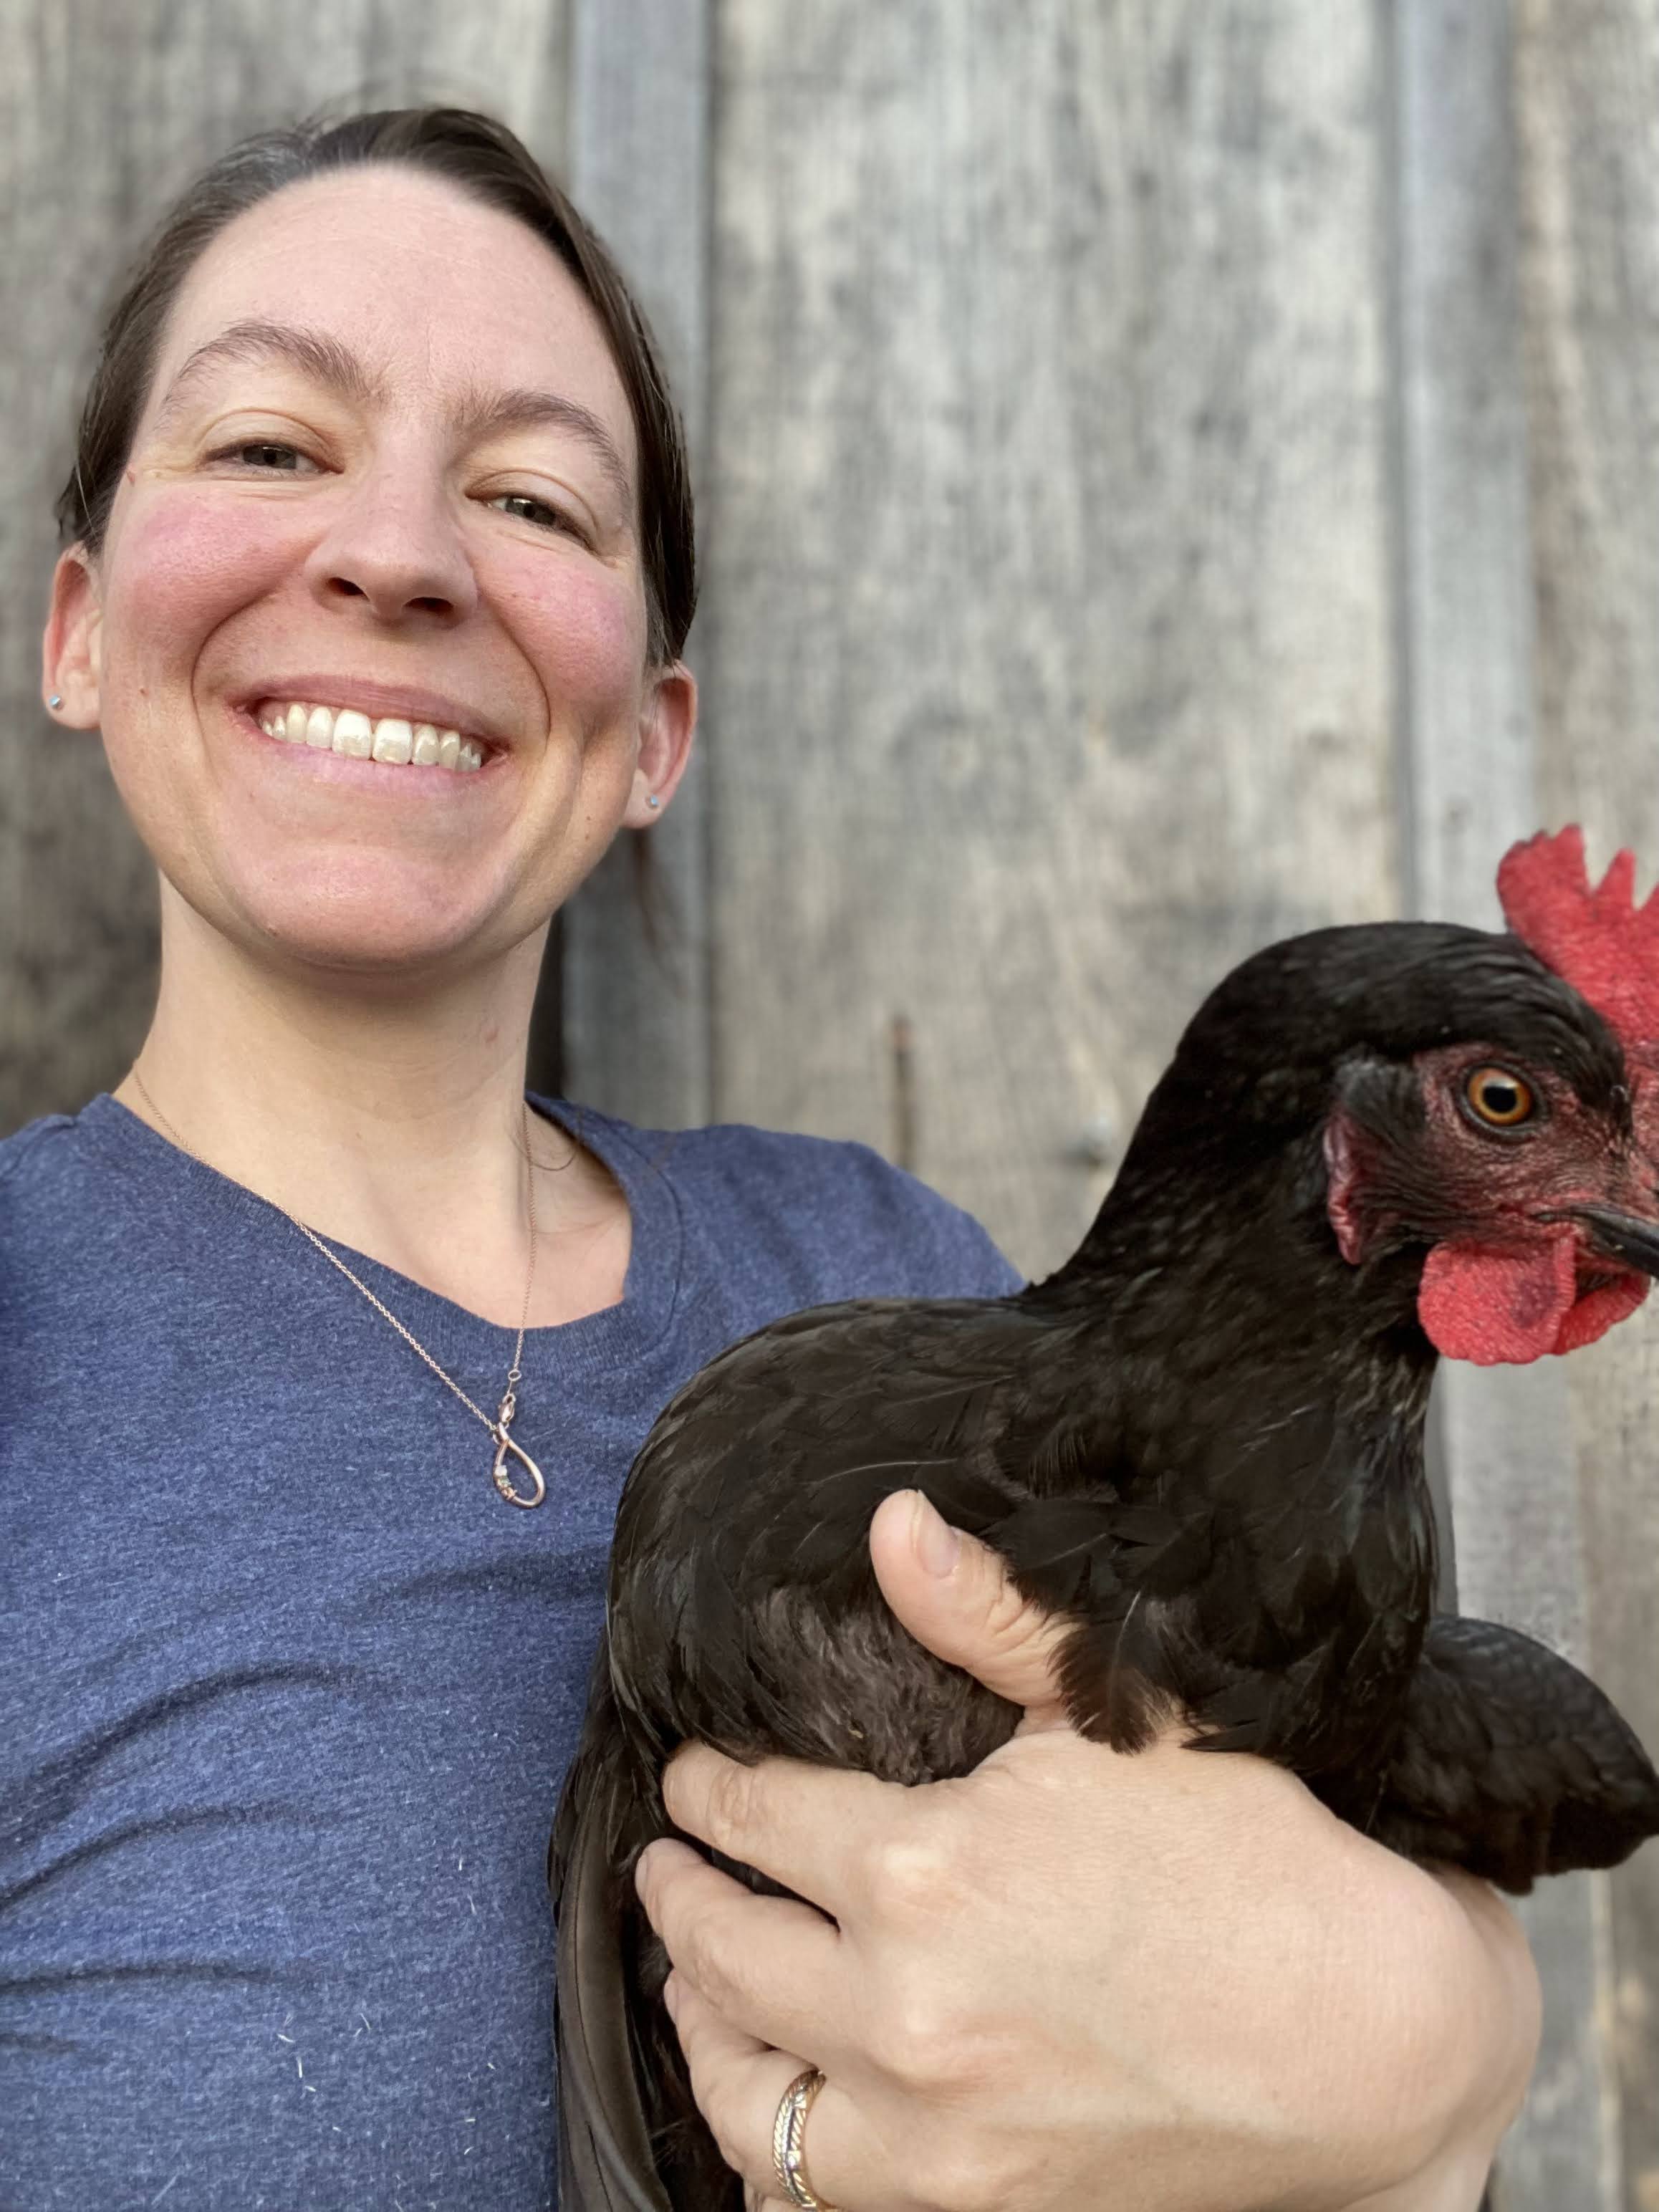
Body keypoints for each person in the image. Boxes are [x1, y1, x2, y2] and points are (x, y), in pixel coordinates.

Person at [0, 107, 1537, 2212]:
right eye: (268, 446)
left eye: (529, 493)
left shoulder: (874, 1262)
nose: (397, 554)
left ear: (649, 732)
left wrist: (1429, 2047)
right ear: (79, 628)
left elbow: (1288, 1903)